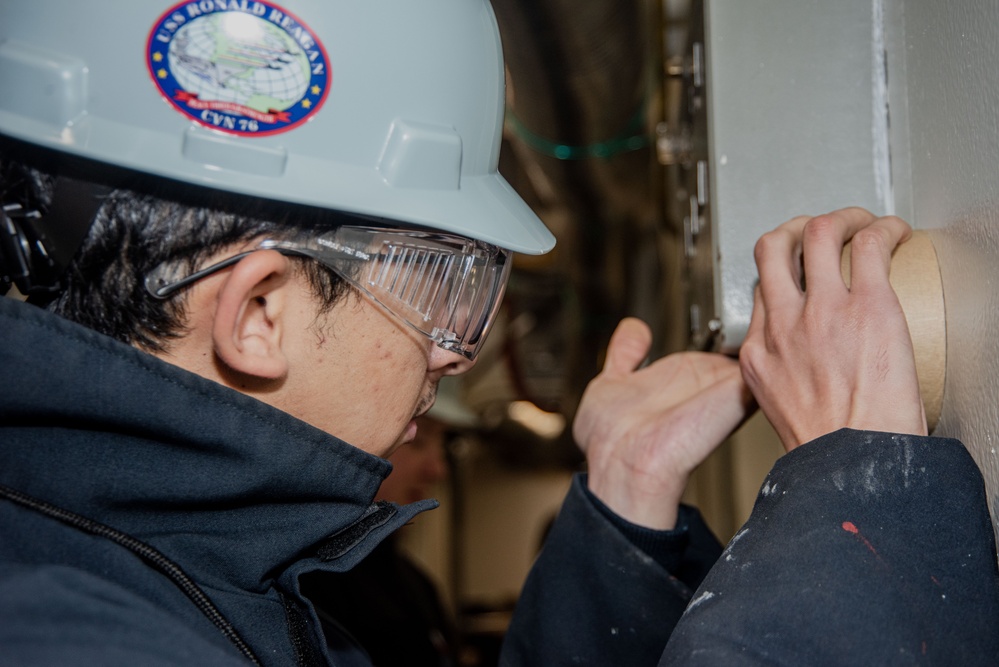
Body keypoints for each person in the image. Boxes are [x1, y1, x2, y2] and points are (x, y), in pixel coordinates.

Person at [1, 3, 997, 667]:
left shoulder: (184, 573)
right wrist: (858, 513)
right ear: (259, 312)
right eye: (440, 284)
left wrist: (623, 508)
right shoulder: (74, 640)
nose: (455, 353)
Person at [301, 415, 460, 666]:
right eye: (417, 441)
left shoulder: (416, 582)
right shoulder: (302, 582)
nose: (438, 470)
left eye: (441, 446)